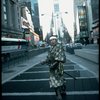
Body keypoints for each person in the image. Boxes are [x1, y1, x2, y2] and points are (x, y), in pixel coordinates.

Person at [41, 35, 66, 100]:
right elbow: (49, 58)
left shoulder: (59, 47)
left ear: (56, 40)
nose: (52, 41)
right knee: (55, 80)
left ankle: (61, 92)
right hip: (52, 68)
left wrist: (53, 65)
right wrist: (44, 61)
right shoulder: (51, 48)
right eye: (51, 40)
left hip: (58, 67)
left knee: (59, 79)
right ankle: (59, 93)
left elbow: (59, 58)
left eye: (54, 39)